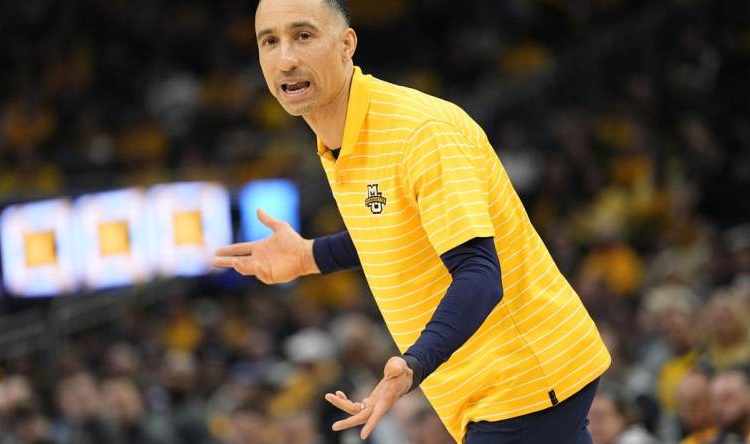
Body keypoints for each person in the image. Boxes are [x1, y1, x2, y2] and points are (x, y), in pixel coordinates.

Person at [213, 0, 611, 441]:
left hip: (526, 381)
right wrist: (310, 256)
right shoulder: (345, 135)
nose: (285, 58)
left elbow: (480, 274)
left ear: (347, 45)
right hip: (496, 387)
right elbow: (396, 225)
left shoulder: (419, 132)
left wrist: (412, 365)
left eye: (303, 36)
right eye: (270, 41)